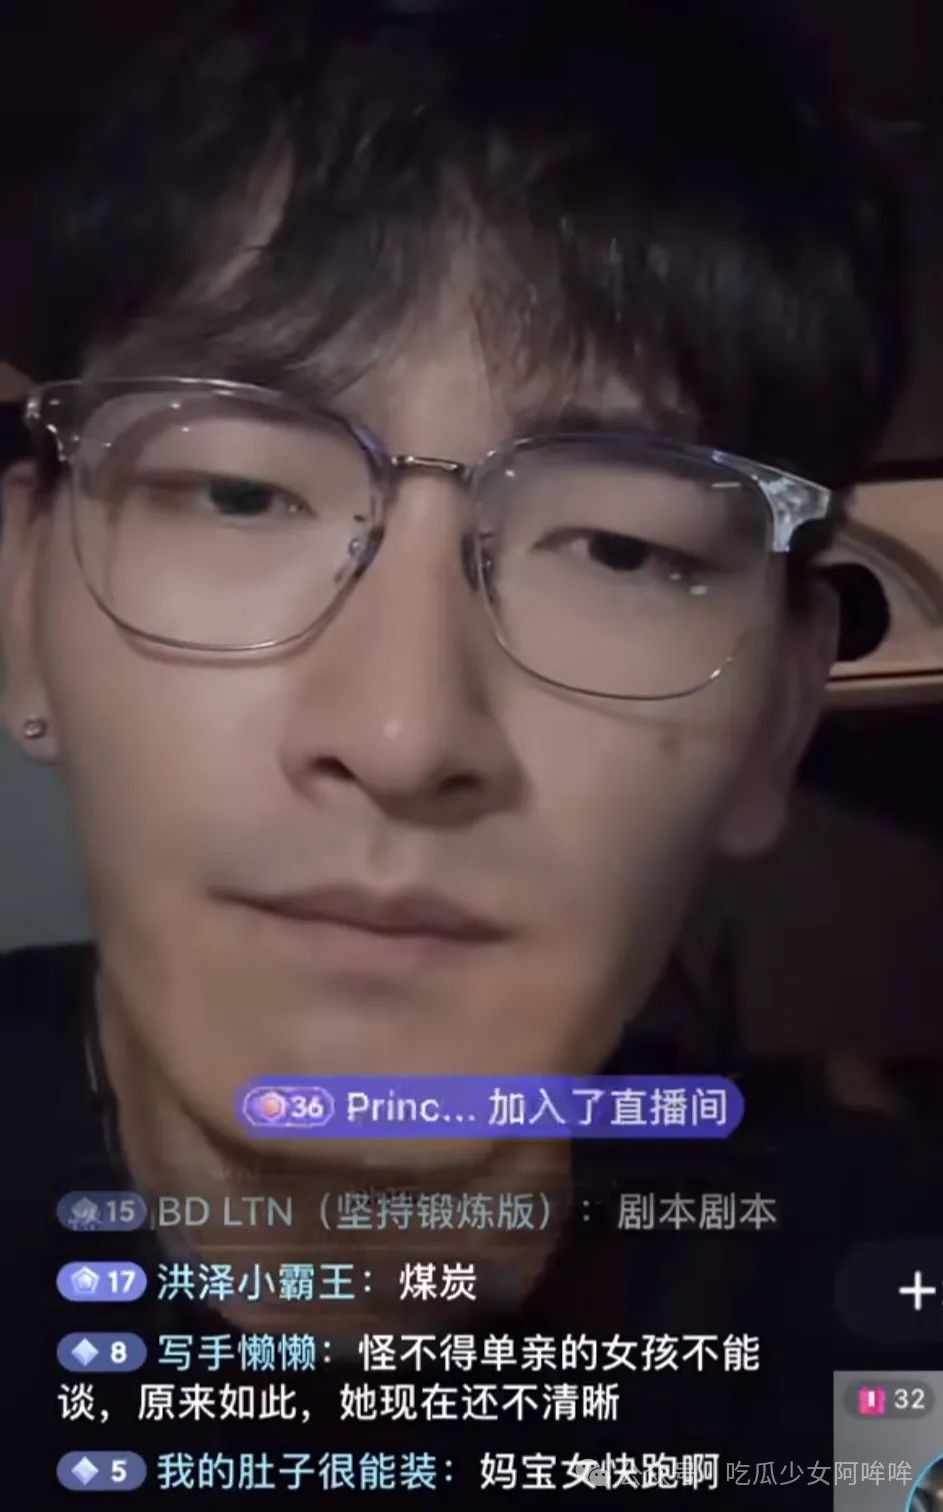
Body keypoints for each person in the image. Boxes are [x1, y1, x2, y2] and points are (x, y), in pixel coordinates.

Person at [0, 0, 917, 1504]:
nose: (403, 732)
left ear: (779, 717)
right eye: (239, 493)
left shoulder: (879, 1325)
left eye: (620, 546)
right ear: (24, 610)